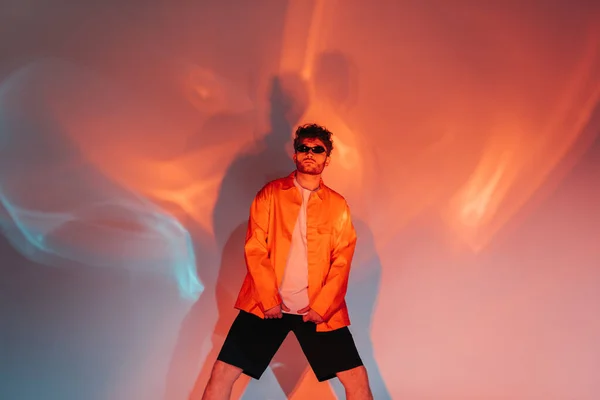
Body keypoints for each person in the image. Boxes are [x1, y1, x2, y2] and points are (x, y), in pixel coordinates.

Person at [200, 123, 373, 400]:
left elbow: (343, 259)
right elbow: (255, 247)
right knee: (222, 374)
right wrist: (268, 300)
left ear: (327, 158)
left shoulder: (338, 205)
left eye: (318, 149)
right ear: (294, 155)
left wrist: (321, 306)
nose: (310, 153)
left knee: (357, 380)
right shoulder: (270, 193)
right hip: (267, 305)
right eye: (304, 148)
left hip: (317, 309)